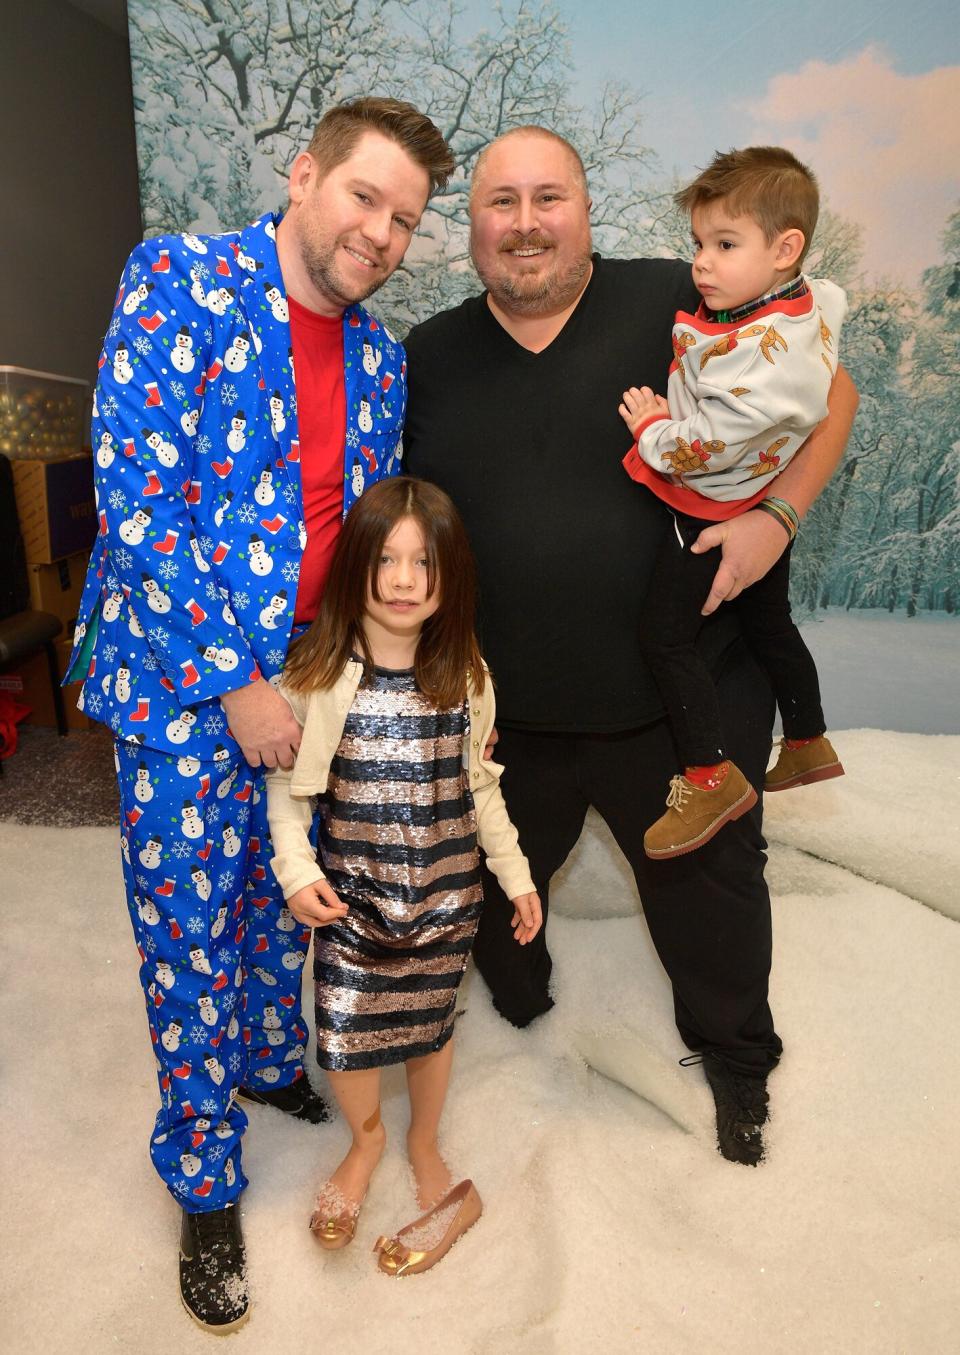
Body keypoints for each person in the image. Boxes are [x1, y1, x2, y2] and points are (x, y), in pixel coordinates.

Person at [68, 97, 453, 1332]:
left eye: (404, 219)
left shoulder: (383, 357)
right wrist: (235, 682)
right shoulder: (180, 279)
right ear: (304, 175)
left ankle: (258, 1059)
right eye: (364, 198)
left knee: (273, 886)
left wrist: (348, 679)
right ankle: (201, 1171)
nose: (380, 233)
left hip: (308, 677)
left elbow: (362, 543)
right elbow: (134, 497)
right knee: (186, 912)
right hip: (185, 675)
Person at [403, 126, 858, 1170]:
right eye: (500, 202)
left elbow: (833, 396)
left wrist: (775, 518)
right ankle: (523, 999)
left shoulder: (682, 299)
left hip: (679, 703)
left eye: (547, 197)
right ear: (470, 223)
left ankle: (739, 1062)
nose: (525, 224)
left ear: (587, 209)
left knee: (715, 908)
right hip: (505, 715)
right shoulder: (427, 355)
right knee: (488, 907)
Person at [266, 477, 541, 1275]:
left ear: (450, 577)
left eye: (424, 562)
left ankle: (423, 1139)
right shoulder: (319, 675)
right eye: (386, 558)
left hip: (446, 899)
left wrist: (516, 876)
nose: (403, 579)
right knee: (349, 1033)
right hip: (352, 904)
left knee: (429, 1024)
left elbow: (482, 788)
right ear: (357, 564)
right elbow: (290, 790)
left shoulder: (467, 677)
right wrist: (294, 869)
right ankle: (367, 1141)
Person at [617, 146, 847, 860]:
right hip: (757, 494)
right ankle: (807, 737)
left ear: (786, 249)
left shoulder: (763, 370)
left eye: (723, 245)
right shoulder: (804, 301)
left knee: (664, 637)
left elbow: (700, 448)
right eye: (697, 244)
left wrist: (652, 423)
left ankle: (708, 774)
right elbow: (833, 307)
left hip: (711, 509)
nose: (702, 265)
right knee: (771, 619)